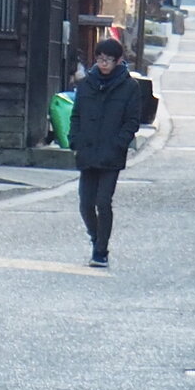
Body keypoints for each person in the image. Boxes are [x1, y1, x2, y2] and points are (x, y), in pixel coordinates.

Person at [69, 36, 149, 268]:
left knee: (103, 202)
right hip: (87, 150)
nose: (104, 64)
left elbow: (133, 120)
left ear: (118, 61)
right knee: (85, 203)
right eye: (100, 59)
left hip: (111, 154)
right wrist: (75, 139)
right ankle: (96, 239)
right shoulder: (86, 84)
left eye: (109, 60)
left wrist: (119, 143)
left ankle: (101, 250)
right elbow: (76, 115)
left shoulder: (129, 86)